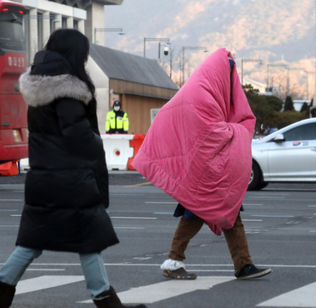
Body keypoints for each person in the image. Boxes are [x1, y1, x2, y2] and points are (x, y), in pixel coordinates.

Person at [0, 29, 146, 308]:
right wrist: (96, 143)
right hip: (71, 179)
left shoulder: (39, 86)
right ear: (74, 53)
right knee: (88, 240)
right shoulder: (67, 89)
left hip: (45, 177)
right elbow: (77, 134)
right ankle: (106, 301)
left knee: (33, 242)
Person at [132, 49, 272, 281]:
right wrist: (237, 131)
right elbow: (210, 130)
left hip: (207, 168)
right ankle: (174, 261)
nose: (230, 78)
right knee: (197, 212)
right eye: (228, 71)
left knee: (228, 211)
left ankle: (243, 265)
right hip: (202, 170)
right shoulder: (201, 94)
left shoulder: (202, 90)